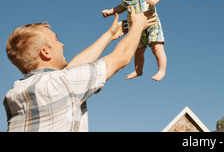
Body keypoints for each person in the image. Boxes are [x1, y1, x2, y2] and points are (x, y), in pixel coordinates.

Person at [3, 7, 157, 132]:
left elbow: (71, 72)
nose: (61, 44)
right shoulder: (62, 84)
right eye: (56, 40)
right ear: (45, 52)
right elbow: (121, 57)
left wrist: (109, 35)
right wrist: (138, 26)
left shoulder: (14, 93)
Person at [102, 0, 167, 81]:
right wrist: (110, 12)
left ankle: (161, 70)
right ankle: (138, 70)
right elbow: (121, 8)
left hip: (151, 23)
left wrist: (154, 0)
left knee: (156, 48)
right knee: (138, 51)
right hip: (136, 29)